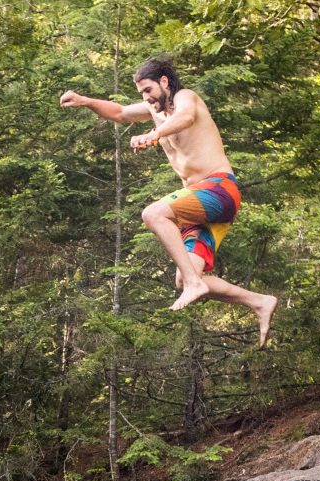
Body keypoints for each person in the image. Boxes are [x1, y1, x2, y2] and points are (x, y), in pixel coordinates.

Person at [62, 57, 278, 346]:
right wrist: (85, 100)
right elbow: (121, 112)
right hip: (200, 209)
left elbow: (186, 117)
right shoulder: (155, 111)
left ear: (164, 81)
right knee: (183, 276)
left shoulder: (186, 98)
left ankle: (194, 283)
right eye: (142, 93)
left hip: (219, 189)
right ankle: (259, 301)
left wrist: (155, 134)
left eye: (149, 90)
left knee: (153, 214)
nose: (147, 98)